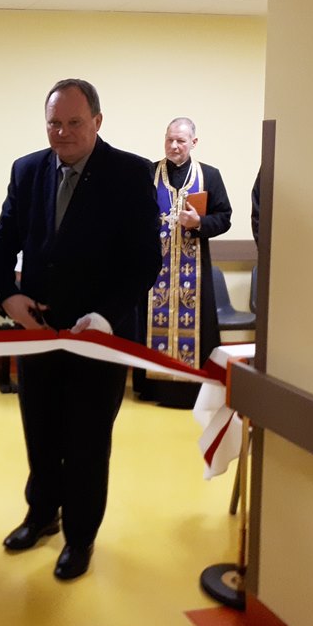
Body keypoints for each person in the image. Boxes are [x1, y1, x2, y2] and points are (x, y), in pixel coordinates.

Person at [0, 78, 161, 581]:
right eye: (54, 123)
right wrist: (8, 294)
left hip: (100, 336)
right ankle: (42, 515)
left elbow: (144, 262)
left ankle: (80, 536)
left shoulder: (130, 173)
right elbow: (2, 240)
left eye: (74, 122)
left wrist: (105, 316)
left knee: (86, 441)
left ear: (97, 122)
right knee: (40, 432)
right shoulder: (27, 170)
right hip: (38, 330)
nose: (62, 132)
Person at [136, 118, 232, 409]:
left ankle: (194, 391)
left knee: (198, 327)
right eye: (170, 140)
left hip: (194, 271)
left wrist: (199, 222)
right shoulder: (148, 174)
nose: (174, 146)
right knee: (149, 324)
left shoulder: (209, 175)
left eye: (180, 140)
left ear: (194, 142)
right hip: (155, 271)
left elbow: (224, 218)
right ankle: (153, 388)